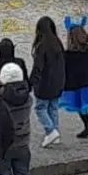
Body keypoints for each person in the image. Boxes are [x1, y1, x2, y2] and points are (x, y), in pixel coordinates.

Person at [29, 16, 66, 146]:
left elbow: (37, 68)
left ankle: (50, 131)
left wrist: (30, 83)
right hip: (58, 83)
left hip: (45, 85)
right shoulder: (58, 43)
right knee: (53, 108)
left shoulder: (41, 47)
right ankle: (55, 133)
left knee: (40, 108)